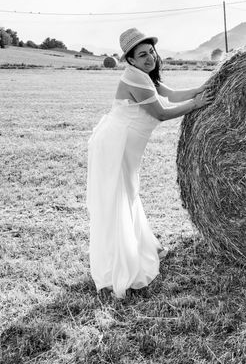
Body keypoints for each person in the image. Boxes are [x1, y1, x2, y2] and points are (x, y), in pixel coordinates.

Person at [87, 28, 214, 299]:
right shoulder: (134, 78)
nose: (150, 58)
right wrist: (197, 104)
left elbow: (172, 95)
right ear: (130, 60)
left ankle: (139, 246)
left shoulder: (144, 76)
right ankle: (120, 265)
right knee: (118, 198)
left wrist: (202, 90)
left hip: (126, 145)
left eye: (151, 52)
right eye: (142, 54)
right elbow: (162, 113)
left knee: (129, 194)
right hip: (116, 145)